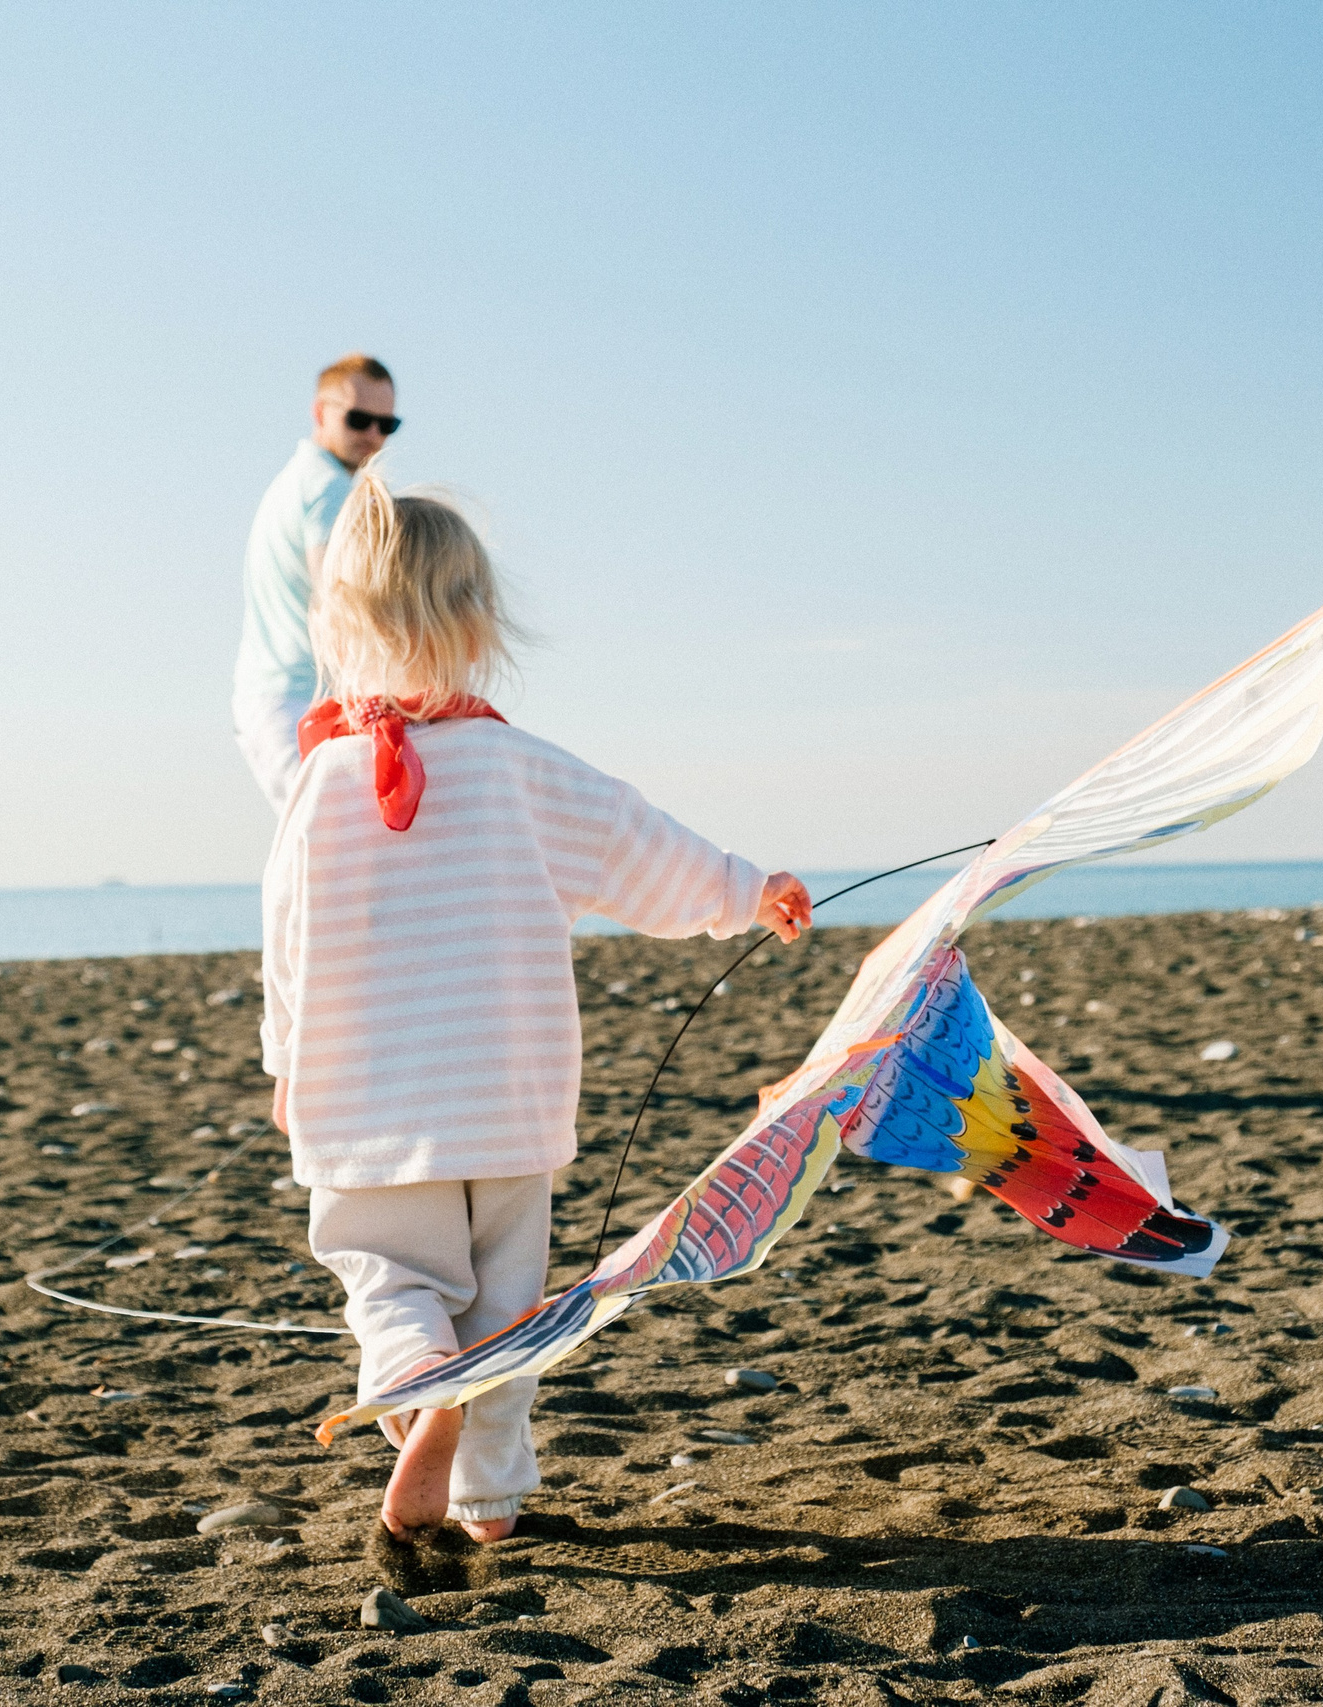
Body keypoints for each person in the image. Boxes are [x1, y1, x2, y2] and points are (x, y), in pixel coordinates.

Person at [259, 461, 812, 1544]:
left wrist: (287, 1068)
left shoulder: (318, 783)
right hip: (505, 1101)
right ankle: (493, 1504)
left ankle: (421, 1387)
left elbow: (288, 949)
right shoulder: (525, 769)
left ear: (337, 626)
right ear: (479, 623)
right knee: (511, 1309)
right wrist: (748, 891)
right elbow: (642, 850)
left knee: (388, 1277)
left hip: (367, 1107)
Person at [232, 353, 402, 809]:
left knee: (319, 852)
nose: (373, 437)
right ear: (320, 412)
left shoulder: (293, 482)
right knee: (333, 850)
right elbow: (340, 597)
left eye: (387, 425)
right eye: (360, 419)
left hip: (270, 700)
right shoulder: (330, 488)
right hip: (301, 703)